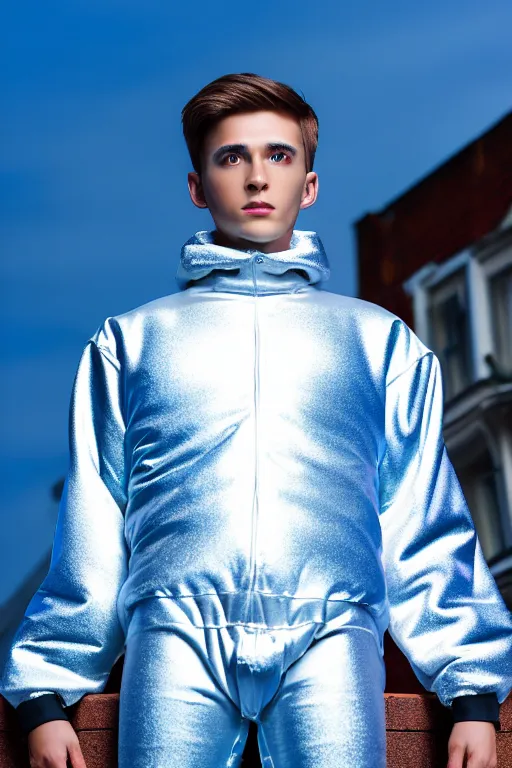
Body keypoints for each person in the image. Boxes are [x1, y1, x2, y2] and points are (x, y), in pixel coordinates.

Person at [2, 72, 511, 768]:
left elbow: (420, 516)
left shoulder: (379, 342)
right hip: (175, 633)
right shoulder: (130, 342)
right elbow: (94, 515)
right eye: (230, 157)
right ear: (196, 185)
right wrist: (45, 694)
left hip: (332, 634)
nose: (254, 177)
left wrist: (473, 695)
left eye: (278, 155)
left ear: (309, 184)